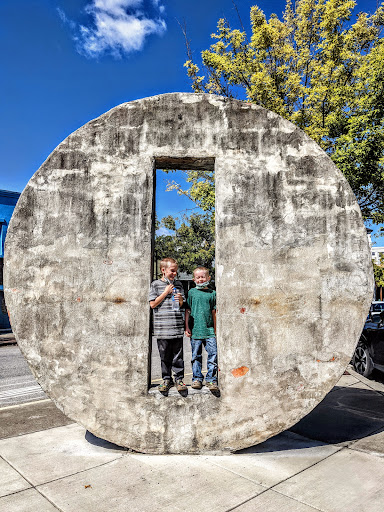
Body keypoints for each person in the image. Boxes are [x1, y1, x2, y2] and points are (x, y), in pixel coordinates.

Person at [149, 257, 187, 393]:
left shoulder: (179, 284)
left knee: (178, 356)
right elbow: (152, 304)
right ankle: (166, 379)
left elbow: (182, 304)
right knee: (164, 356)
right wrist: (165, 292)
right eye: (172, 271)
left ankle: (179, 379)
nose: (174, 274)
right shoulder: (155, 285)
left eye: (176, 271)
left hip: (176, 326)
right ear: (163, 270)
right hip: (162, 328)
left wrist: (181, 299)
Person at [185, 266, 219, 391]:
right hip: (195, 331)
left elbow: (214, 312)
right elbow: (187, 311)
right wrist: (187, 327)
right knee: (195, 356)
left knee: (213, 356)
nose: (200, 279)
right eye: (198, 277)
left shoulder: (212, 293)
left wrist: (215, 330)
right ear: (194, 279)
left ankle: (211, 379)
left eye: (203, 277)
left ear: (208, 278)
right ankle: (197, 378)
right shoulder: (192, 293)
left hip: (209, 331)